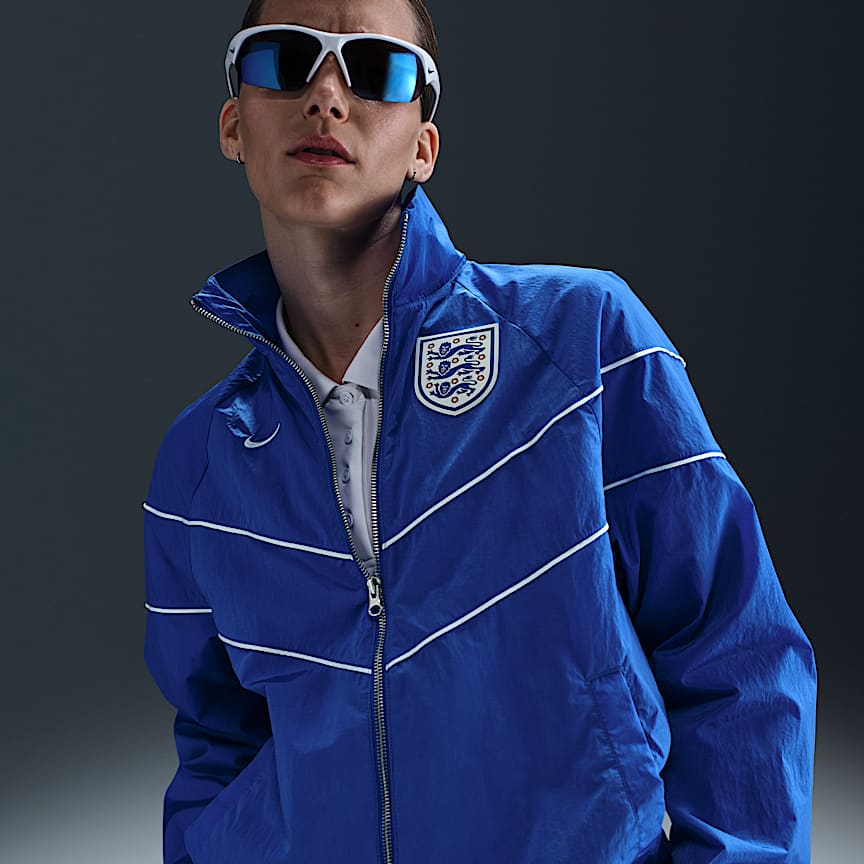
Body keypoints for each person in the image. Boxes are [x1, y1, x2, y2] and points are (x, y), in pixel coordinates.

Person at [143, 0, 817, 861]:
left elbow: (739, 654)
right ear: (235, 125)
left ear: (423, 146)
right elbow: (216, 740)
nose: (326, 96)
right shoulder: (200, 461)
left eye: (375, 68)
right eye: (283, 58)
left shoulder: (582, 342)